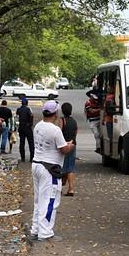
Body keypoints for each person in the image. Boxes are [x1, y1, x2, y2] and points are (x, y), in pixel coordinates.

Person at [30, 100, 74, 241]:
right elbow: (64, 149)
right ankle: (46, 232)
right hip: (50, 168)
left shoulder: (38, 126)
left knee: (38, 200)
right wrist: (70, 145)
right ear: (55, 113)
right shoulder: (55, 130)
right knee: (50, 200)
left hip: (36, 164)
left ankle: (36, 229)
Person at [60, 103, 78, 196]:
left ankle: (60, 187)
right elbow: (75, 133)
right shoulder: (74, 121)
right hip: (72, 144)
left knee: (61, 166)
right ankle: (71, 189)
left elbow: (59, 133)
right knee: (70, 167)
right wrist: (72, 142)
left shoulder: (62, 120)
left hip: (63, 145)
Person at [16, 98, 34, 162]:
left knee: (22, 143)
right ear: (27, 103)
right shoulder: (28, 109)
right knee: (31, 143)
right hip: (27, 127)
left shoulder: (19, 109)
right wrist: (30, 123)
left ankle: (22, 158)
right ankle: (31, 158)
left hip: (21, 127)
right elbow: (31, 115)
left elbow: (17, 116)